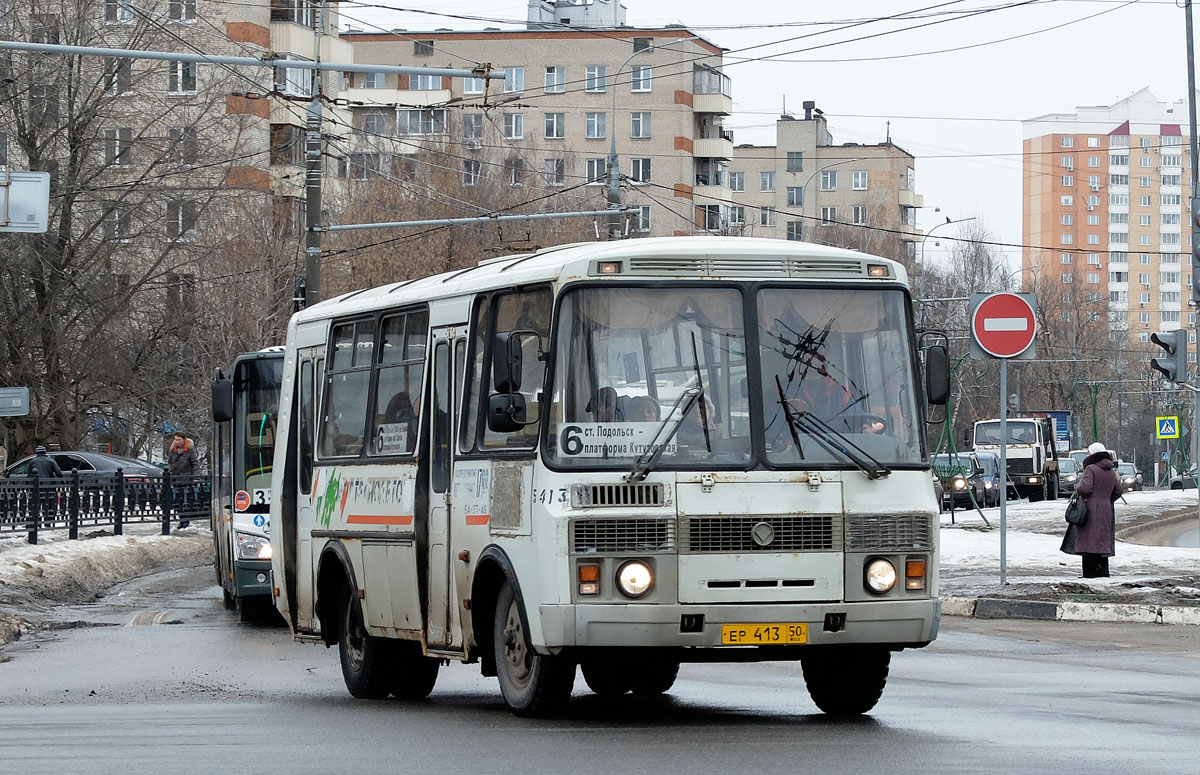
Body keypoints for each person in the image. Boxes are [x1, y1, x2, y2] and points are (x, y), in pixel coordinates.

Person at [1060, 441, 1123, 578]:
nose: (1087, 455)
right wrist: (1106, 499)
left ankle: (1089, 572)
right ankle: (1102, 570)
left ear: (1093, 454)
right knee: (1101, 539)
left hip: (1090, 509)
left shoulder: (1091, 469)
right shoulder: (1110, 470)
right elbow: (1118, 491)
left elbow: (1086, 488)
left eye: (1088, 452)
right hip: (1106, 509)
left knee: (1088, 539)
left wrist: (1077, 486)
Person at [168, 432, 200, 529]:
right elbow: (170, 464)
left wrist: (196, 476)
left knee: (186, 502)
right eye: (176, 440)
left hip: (186, 480)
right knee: (177, 502)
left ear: (184, 440)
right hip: (175, 479)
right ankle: (181, 520)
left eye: (179, 439)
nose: (177, 442)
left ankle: (185, 522)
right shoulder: (173, 451)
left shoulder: (190, 451)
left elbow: (195, 464)